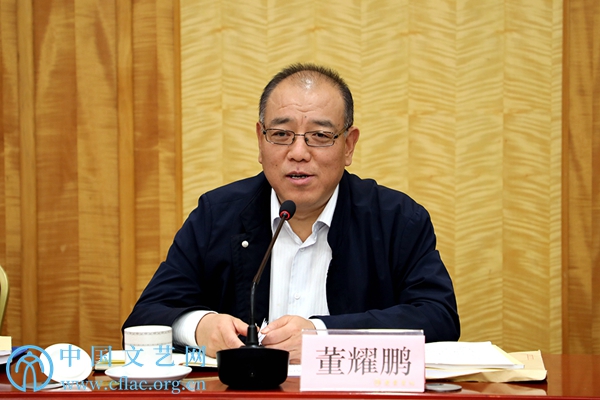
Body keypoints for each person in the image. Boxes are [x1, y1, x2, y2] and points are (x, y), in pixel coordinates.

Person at [123, 63, 460, 364]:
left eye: (320, 136)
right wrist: (200, 327)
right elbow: (144, 318)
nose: (298, 153)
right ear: (260, 140)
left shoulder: (396, 220)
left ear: (348, 145)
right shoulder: (216, 216)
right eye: (281, 135)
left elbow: (438, 317)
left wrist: (323, 336)